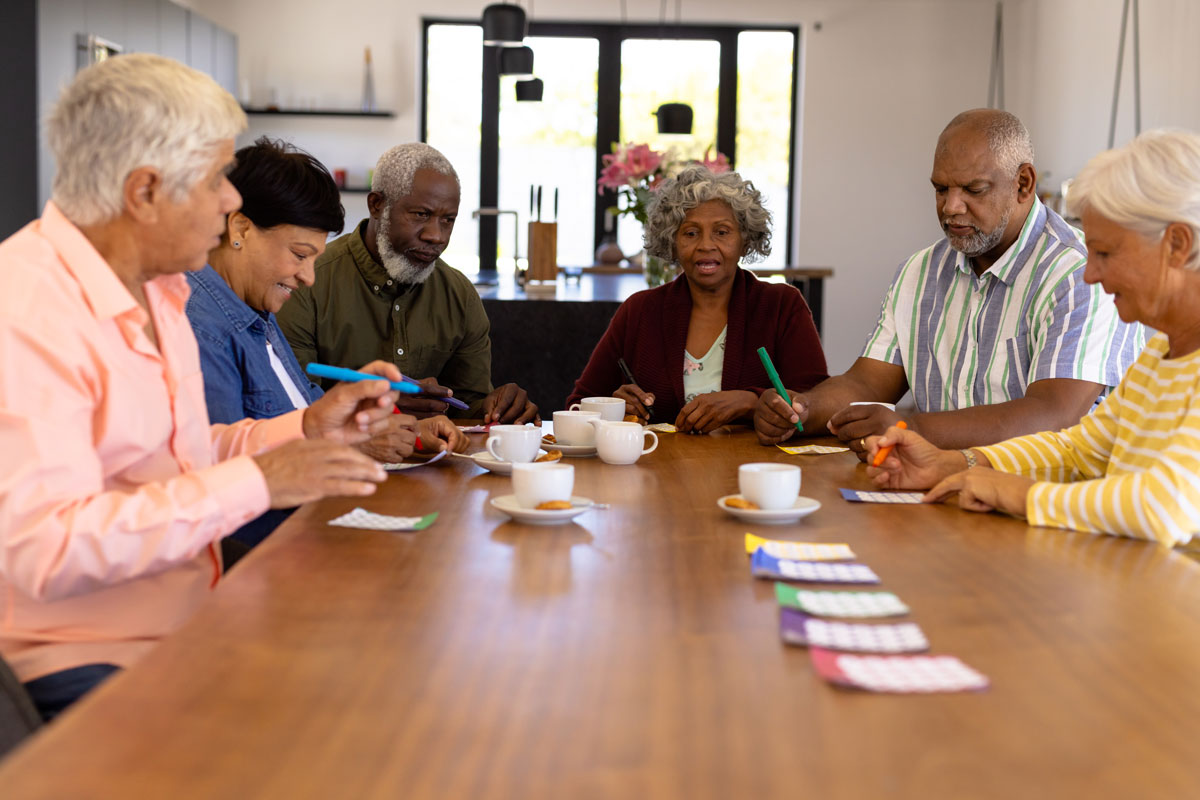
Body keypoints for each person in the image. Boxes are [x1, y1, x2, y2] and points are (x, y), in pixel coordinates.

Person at [0, 54, 402, 720]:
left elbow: (176, 456)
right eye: (217, 178)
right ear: (145, 192)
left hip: (187, 615)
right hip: (84, 660)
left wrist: (303, 430)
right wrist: (261, 483)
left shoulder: (161, 288)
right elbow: (50, 546)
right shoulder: (28, 307)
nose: (233, 201)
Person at [866, 129, 1200, 547]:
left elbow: (1165, 504)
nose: (1090, 274)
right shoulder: (1159, 358)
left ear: (1177, 245)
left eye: (1106, 254)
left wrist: (1018, 493)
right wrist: (955, 465)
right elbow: (1076, 452)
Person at [755, 109, 1144, 457]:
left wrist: (913, 429)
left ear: (1024, 184)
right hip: (940, 487)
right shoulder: (920, 272)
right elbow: (866, 382)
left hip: (1051, 505)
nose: (950, 207)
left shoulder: (1079, 275)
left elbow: (1051, 416)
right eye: (940, 189)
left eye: (973, 190)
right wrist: (801, 409)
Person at [186, 137, 467, 547]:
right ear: (240, 228)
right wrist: (356, 445)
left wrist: (389, 429)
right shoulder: (202, 327)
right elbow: (224, 476)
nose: (308, 278)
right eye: (299, 255)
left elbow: (300, 412)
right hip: (270, 554)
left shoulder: (255, 312)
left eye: (315, 259)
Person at [276, 143, 538, 424]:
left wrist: (495, 409)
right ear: (377, 205)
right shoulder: (306, 282)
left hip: (433, 465)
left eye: (448, 220)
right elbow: (290, 404)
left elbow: (467, 405)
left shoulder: (459, 295)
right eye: (421, 215)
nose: (436, 236)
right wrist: (379, 407)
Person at [567, 166, 827, 433]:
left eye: (722, 232)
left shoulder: (781, 305)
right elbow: (576, 407)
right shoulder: (640, 311)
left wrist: (752, 401)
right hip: (658, 470)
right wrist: (613, 408)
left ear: (745, 241)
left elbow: (817, 403)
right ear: (672, 242)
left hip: (752, 470)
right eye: (691, 233)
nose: (705, 245)